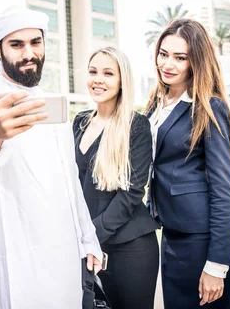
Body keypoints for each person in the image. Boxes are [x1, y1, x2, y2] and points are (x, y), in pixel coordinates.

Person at [0, 6, 103, 309]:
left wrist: (87, 236)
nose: (29, 53)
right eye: (17, 45)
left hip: (64, 251)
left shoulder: (52, 103)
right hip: (21, 256)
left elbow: (69, 178)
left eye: (35, 42)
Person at [144, 19, 230, 308]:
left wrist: (216, 265)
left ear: (195, 60)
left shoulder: (209, 107)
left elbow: (225, 193)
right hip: (171, 235)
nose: (168, 64)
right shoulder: (155, 104)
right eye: (163, 54)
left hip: (199, 243)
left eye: (180, 57)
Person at [73, 47, 159, 309]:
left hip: (130, 248)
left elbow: (132, 193)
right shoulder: (79, 122)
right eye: (93, 72)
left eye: (108, 73)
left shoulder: (136, 125)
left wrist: (91, 235)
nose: (98, 79)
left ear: (122, 81)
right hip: (88, 245)